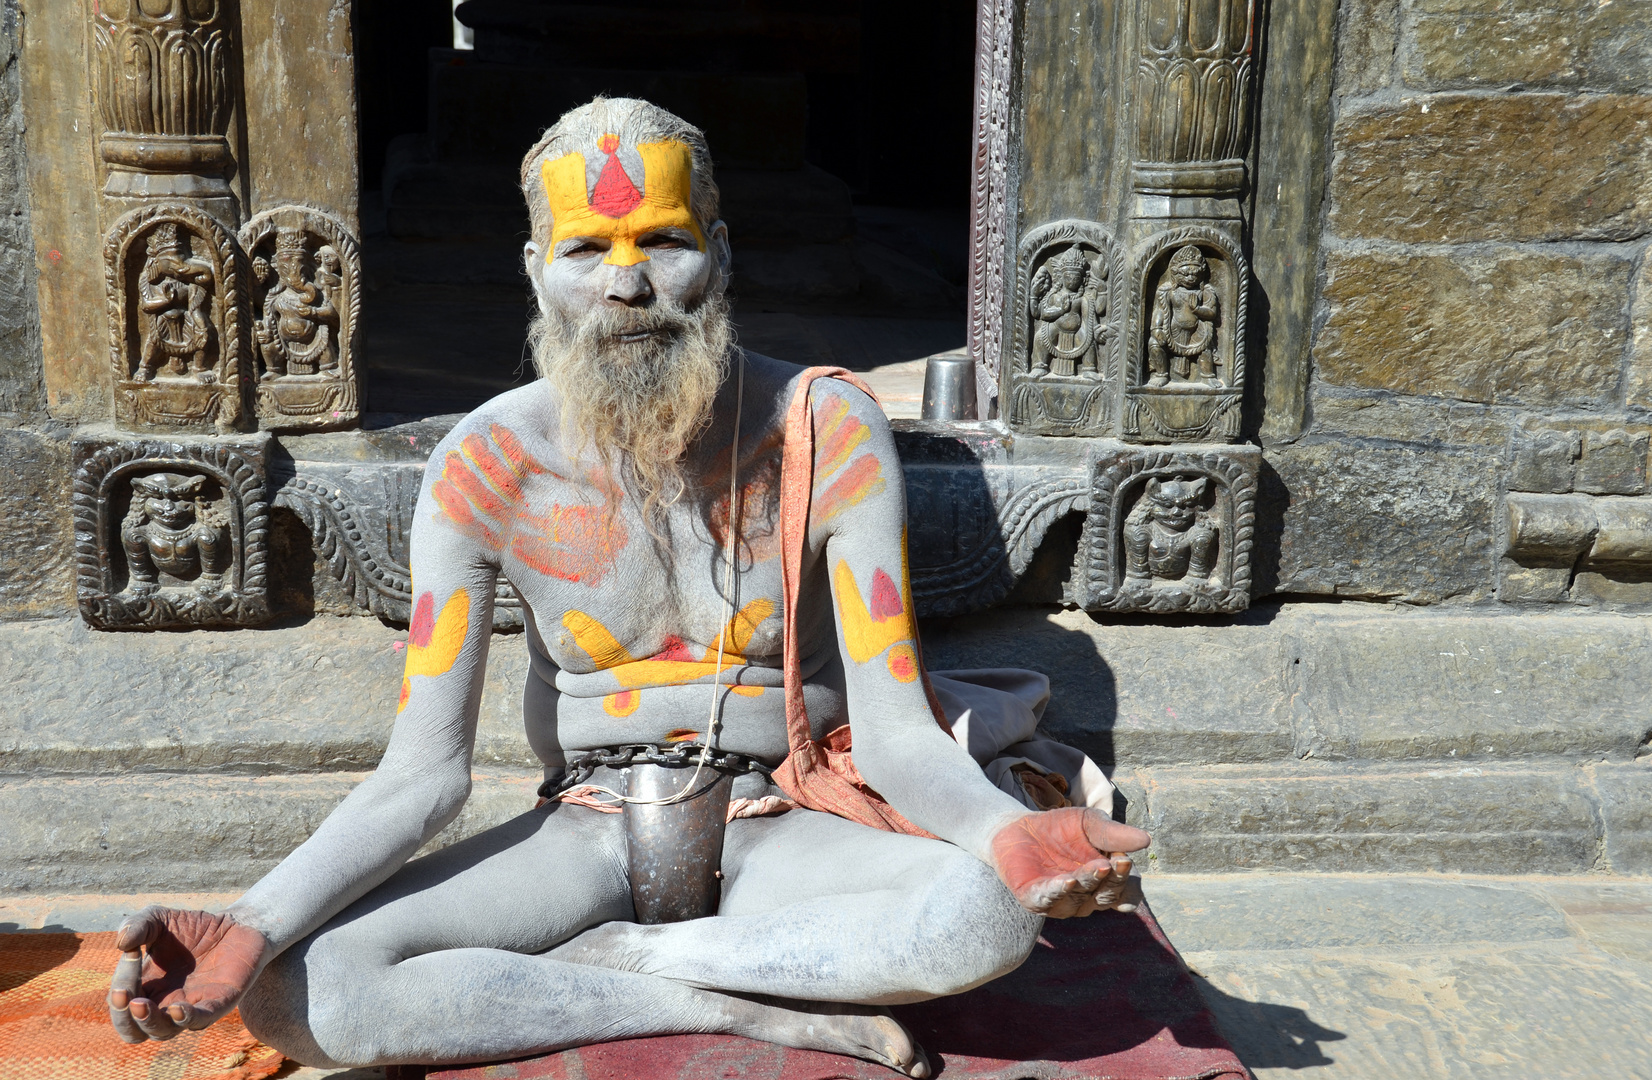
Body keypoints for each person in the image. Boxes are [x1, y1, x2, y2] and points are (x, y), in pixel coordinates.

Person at [106, 97, 1150, 1077]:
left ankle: (641, 960)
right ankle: (714, 996)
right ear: (535, 269)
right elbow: (419, 779)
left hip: (780, 828)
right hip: (580, 836)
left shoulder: (827, 430)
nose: (625, 284)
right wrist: (253, 921)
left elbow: (893, 737)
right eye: (585, 251)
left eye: (661, 241)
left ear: (720, 251)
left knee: (985, 917)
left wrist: (1001, 835)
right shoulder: (483, 465)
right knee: (299, 996)